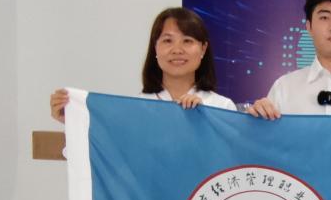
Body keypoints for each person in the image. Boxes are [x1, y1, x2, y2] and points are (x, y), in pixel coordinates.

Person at [49, 7, 236, 123]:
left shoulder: (222, 107)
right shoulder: (134, 109)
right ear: (155, 47)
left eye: (187, 41)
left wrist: (207, 120)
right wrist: (72, 122)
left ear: (203, 49)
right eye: (167, 41)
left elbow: (233, 160)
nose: (177, 50)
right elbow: (107, 156)